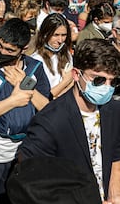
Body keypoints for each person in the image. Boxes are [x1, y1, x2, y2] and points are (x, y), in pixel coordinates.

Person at [18, 39, 120, 203]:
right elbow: (32, 182)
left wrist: (115, 195)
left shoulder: (114, 110)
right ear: (76, 74)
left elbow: (116, 153)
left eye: (113, 81)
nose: (107, 87)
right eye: (98, 80)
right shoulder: (50, 121)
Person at [0, 18, 50, 204]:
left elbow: (47, 108)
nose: (2, 53)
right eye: (0, 46)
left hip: (24, 151)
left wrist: (24, 85)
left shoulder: (35, 68)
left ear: (23, 50)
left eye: (10, 50)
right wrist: (13, 101)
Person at [31, 13, 74, 99]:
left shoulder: (66, 54)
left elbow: (72, 85)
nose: (60, 40)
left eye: (64, 35)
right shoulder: (35, 61)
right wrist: (65, 82)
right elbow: (42, 97)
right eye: (56, 35)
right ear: (45, 34)